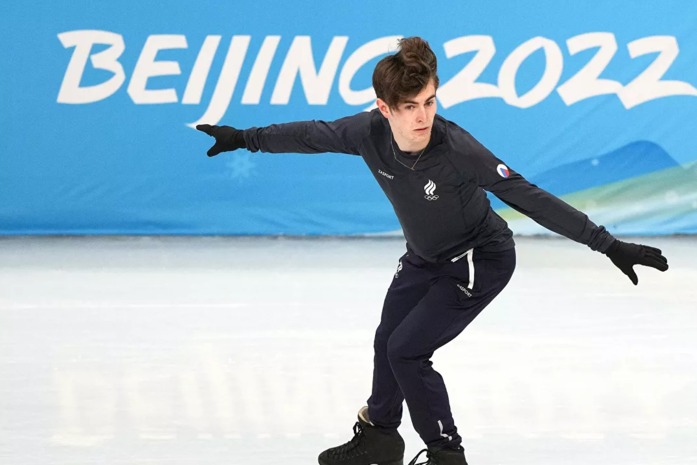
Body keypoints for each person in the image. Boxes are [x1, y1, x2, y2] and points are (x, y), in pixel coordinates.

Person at [197, 36, 668, 465]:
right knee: (387, 340)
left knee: (406, 351)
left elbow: (527, 196)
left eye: (429, 102)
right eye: (409, 107)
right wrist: (243, 138)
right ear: (384, 109)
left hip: (479, 259)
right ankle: (380, 436)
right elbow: (310, 134)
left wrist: (607, 244)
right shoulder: (366, 133)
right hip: (424, 258)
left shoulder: (458, 149)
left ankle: (447, 454)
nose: (422, 117)